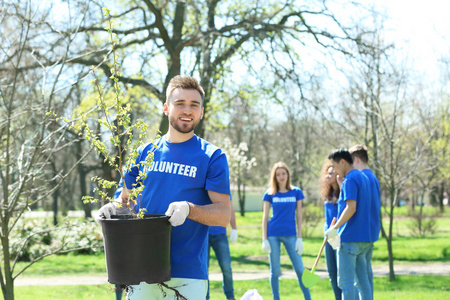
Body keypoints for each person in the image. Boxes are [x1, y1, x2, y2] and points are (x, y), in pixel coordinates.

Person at [96, 75, 231, 300]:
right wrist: (113, 208)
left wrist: (190, 209)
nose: (187, 110)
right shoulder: (143, 153)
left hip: (188, 275)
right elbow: (125, 201)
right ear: (166, 108)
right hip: (139, 267)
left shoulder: (212, 157)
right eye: (180, 104)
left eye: (194, 105)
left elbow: (222, 215)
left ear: (201, 112)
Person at [325, 149, 372, 300]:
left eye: (335, 166)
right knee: (363, 282)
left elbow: (351, 208)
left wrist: (334, 228)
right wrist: (342, 185)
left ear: (343, 162)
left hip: (349, 239)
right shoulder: (362, 177)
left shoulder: (351, 179)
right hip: (363, 239)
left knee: (346, 283)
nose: (334, 170)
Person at [261, 162, 311, 300]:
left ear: (288, 175)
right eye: (278, 174)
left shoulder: (296, 192)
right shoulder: (270, 193)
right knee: (275, 271)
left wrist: (300, 238)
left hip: (291, 235)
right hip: (273, 235)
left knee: (300, 269)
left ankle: (308, 298)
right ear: (274, 177)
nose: (281, 176)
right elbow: (265, 217)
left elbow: (299, 216)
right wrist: (264, 239)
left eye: (283, 173)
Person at [349, 144, 381, 299]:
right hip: (372, 232)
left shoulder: (362, 178)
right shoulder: (372, 177)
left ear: (355, 160)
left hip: (362, 233)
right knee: (367, 275)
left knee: (360, 279)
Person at [319, 160, 341, 300]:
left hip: (339, 237)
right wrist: (326, 230)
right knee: (332, 274)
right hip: (328, 238)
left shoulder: (342, 193)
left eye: (332, 172)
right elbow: (327, 218)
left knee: (342, 275)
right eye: (328, 172)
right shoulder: (328, 194)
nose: (329, 175)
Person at [206, 203, 238, 300]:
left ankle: (230, 296)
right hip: (204, 235)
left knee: (226, 267)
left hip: (220, 235)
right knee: (204, 268)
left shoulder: (223, 188)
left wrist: (234, 228)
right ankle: (205, 296)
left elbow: (230, 209)